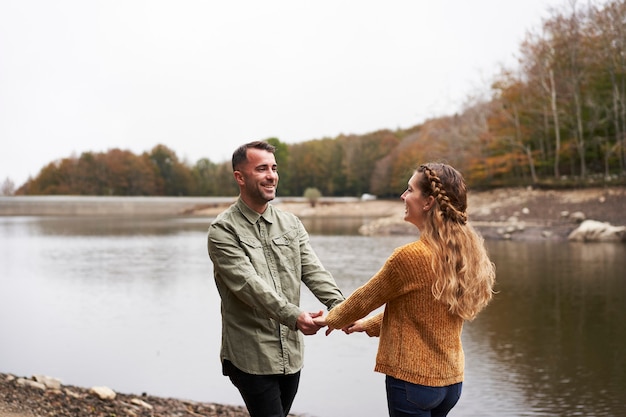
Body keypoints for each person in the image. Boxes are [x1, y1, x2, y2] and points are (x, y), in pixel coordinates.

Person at [314, 162, 496, 417]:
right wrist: (365, 325)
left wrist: (329, 319)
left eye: (409, 190)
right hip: (450, 383)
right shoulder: (464, 253)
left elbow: (364, 299)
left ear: (428, 201)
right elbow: (421, 312)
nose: (403, 196)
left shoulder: (410, 257)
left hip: (413, 383)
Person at [207, 140, 345, 417]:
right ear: (240, 177)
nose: (271, 175)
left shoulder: (291, 223)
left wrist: (342, 306)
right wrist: (295, 316)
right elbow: (248, 286)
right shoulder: (223, 231)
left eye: (274, 168)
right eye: (261, 169)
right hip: (251, 354)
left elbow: (313, 270)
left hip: (291, 354)